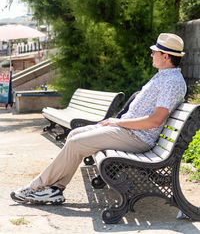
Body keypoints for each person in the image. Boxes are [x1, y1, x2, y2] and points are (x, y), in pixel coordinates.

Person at [11, 33, 187, 205]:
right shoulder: (165, 76)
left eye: (154, 52)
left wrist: (117, 122)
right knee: (74, 135)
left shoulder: (171, 81)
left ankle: (36, 187)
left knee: (76, 143)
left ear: (165, 56)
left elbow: (155, 120)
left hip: (137, 137)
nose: (151, 54)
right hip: (130, 132)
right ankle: (54, 189)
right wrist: (116, 122)